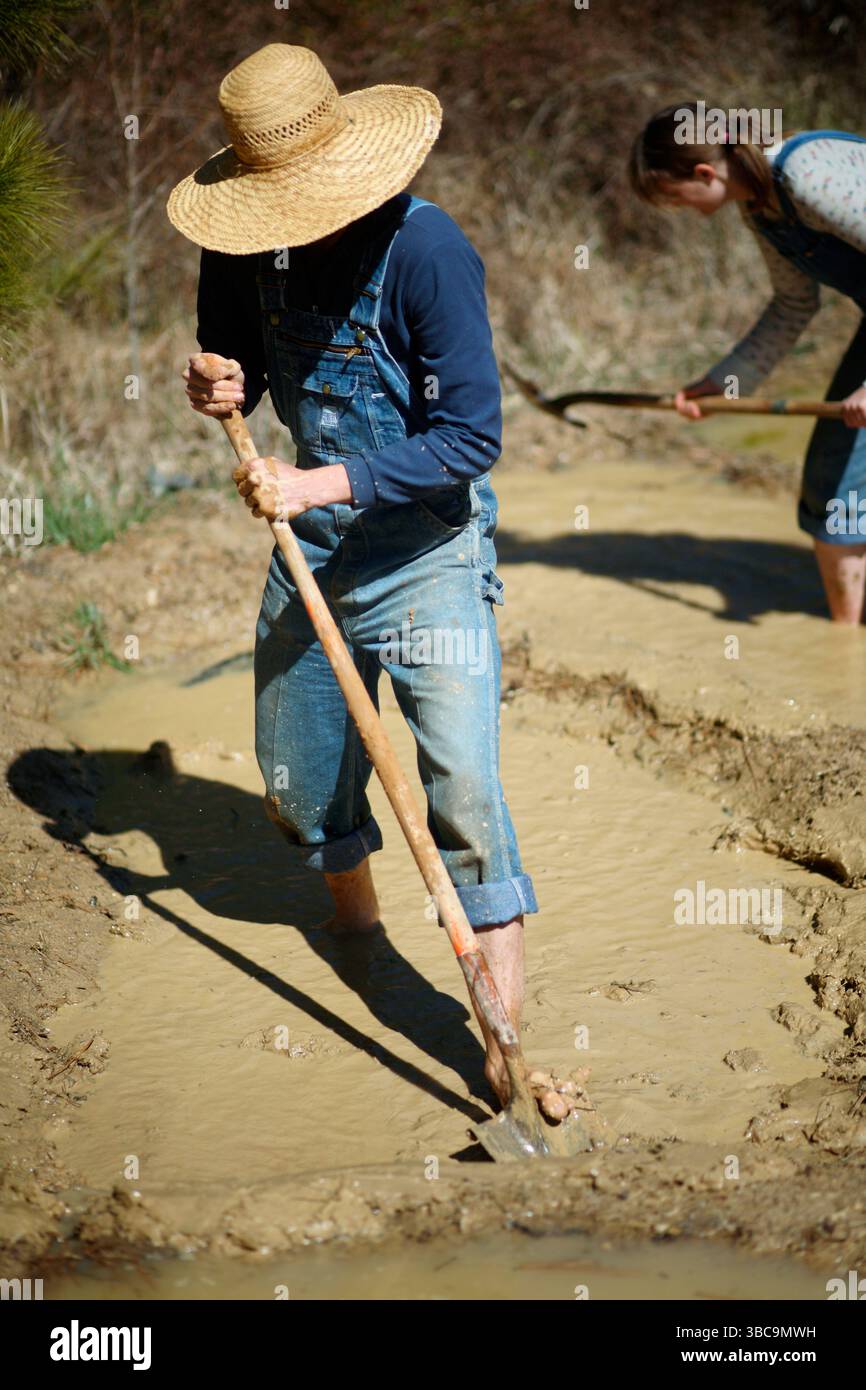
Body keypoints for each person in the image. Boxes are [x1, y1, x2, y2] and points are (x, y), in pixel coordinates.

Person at [167, 43, 576, 1121]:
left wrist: (322, 479)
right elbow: (236, 365)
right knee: (301, 781)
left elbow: (469, 434)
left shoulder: (425, 250)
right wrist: (216, 382)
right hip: (313, 548)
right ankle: (357, 939)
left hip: (425, 547)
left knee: (463, 790)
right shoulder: (242, 239)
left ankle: (500, 1045)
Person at [630, 104, 866, 624]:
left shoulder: (807, 176)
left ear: (704, 173)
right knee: (836, 490)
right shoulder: (762, 207)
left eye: (675, 198)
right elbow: (793, 306)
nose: (683, 209)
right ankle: (842, 648)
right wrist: (720, 385)